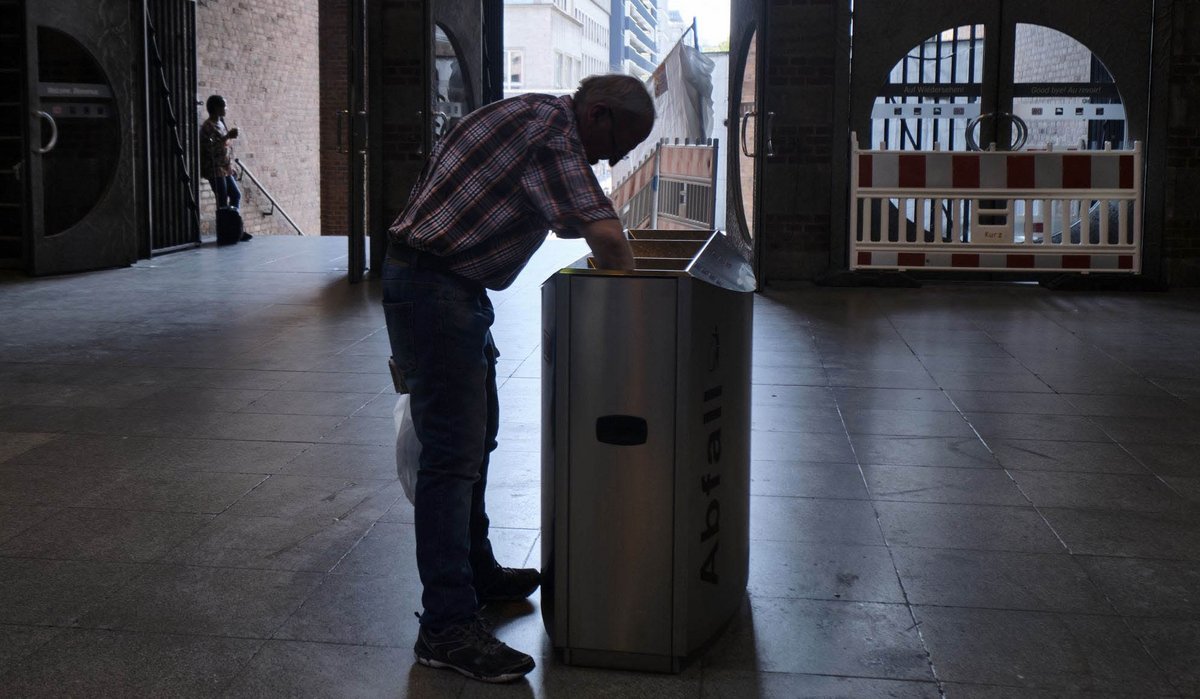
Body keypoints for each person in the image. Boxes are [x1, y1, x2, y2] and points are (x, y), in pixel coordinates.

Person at [382, 74, 655, 683]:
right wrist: (649, 328)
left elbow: (561, 215)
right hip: (436, 289)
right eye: (619, 143)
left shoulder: (531, 111)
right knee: (452, 457)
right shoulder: (552, 131)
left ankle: (475, 570)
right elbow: (606, 237)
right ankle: (446, 628)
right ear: (600, 113)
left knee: (476, 441)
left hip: (444, 284)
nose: (613, 158)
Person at [200, 94, 251, 241]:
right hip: (214, 168)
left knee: (235, 194)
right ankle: (224, 233)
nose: (226, 109)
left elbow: (226, 149)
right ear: (216, 108)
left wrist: (231, 166)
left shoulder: (221, 122)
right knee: (222, 199)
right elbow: (210, 149)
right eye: (224, 106)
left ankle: (235, 228)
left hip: (225, 167)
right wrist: (227, 136)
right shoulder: (208, 127)